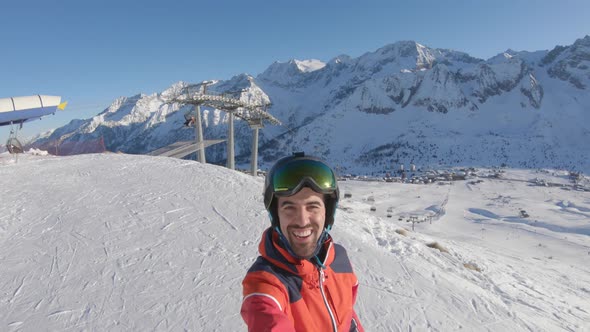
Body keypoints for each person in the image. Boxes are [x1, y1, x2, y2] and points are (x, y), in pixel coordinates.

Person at [241, 152, 364, 331]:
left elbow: (348, 317)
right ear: (276, 215)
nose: (302, 220)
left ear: (327, 213)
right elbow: (267, 321)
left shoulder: (339, 259)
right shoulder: (266, 283)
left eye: (312, 206)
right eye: (289, 207)